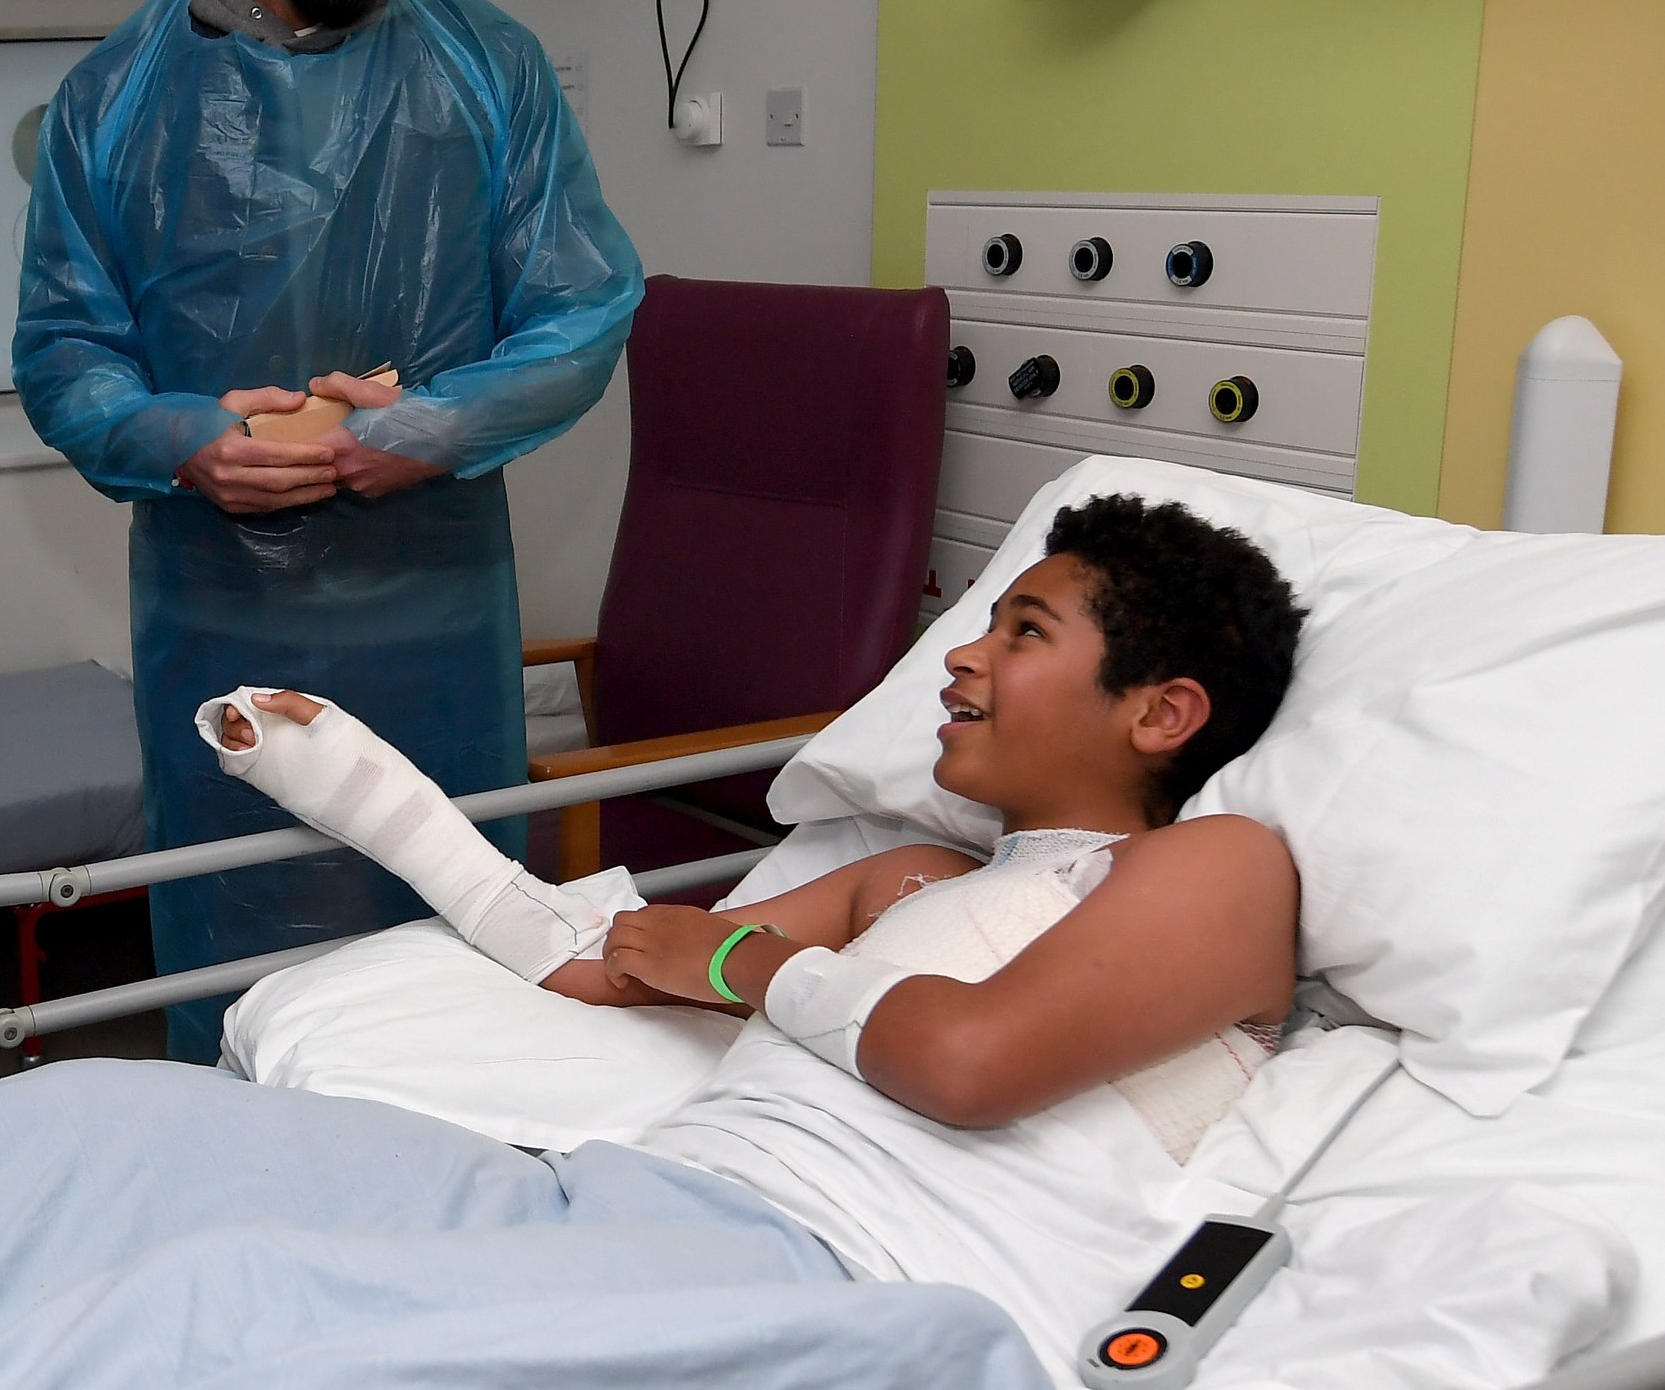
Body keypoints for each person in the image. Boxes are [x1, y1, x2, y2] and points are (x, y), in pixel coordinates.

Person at [205, 494, 1309, 1304]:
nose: (959, 655)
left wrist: (739, 965)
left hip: (852, 1272)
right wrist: (362, 785)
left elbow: (972, 1062)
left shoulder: (1220, 864)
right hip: (659, 1200)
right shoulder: (912, 882)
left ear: (1161, 716)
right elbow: (593, 961)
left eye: (1022, 631)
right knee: (145, 1184)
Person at [15, 0, 643, 1054]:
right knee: (244, 995)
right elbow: (64, 351)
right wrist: (185, 435)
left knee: (453, 987)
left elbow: (585, 306)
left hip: (437, 630)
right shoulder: (118, 99)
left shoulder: (489, 68)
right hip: (222, 624)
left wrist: (434, 423)